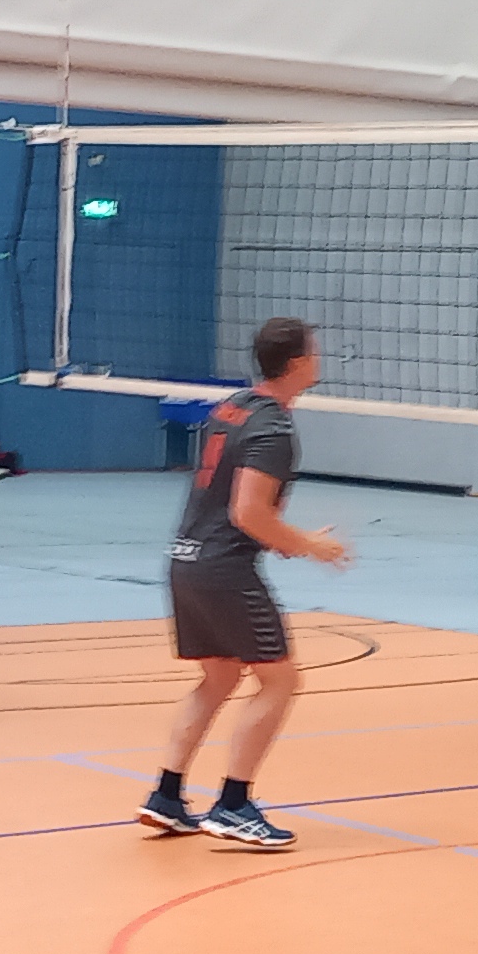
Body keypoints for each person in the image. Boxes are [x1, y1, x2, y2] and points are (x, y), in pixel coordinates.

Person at [143, 317, 351, 851]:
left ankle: (166, 796)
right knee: (280, 682)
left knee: (218, 678)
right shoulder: (273, 428)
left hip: (186, 558)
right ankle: (234, 805)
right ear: (298, 364)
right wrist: (310, 545)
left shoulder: (233, 408)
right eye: (315, 353)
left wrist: (279, 537)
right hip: (224, 569)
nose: (319, 360)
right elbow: (247, 511)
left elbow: (234, 504)